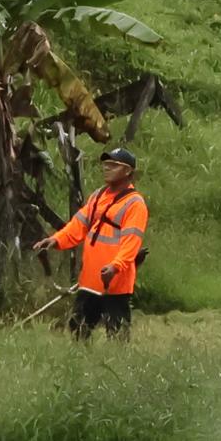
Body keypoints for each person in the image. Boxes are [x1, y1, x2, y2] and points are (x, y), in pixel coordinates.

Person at [48, 146, 151, 340]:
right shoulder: (98, 196)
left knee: (117, 333)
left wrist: (115, 266)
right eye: (106, 164)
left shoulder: (134, 204)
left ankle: (119, 367)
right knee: (78, 330)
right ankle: (82, 366)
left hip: (115, 282)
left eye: (113, 165)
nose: (106, 168)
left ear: (128, 171)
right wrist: (56, 240)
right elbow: (78, 225)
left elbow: (132, 242)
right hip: (90, 280)